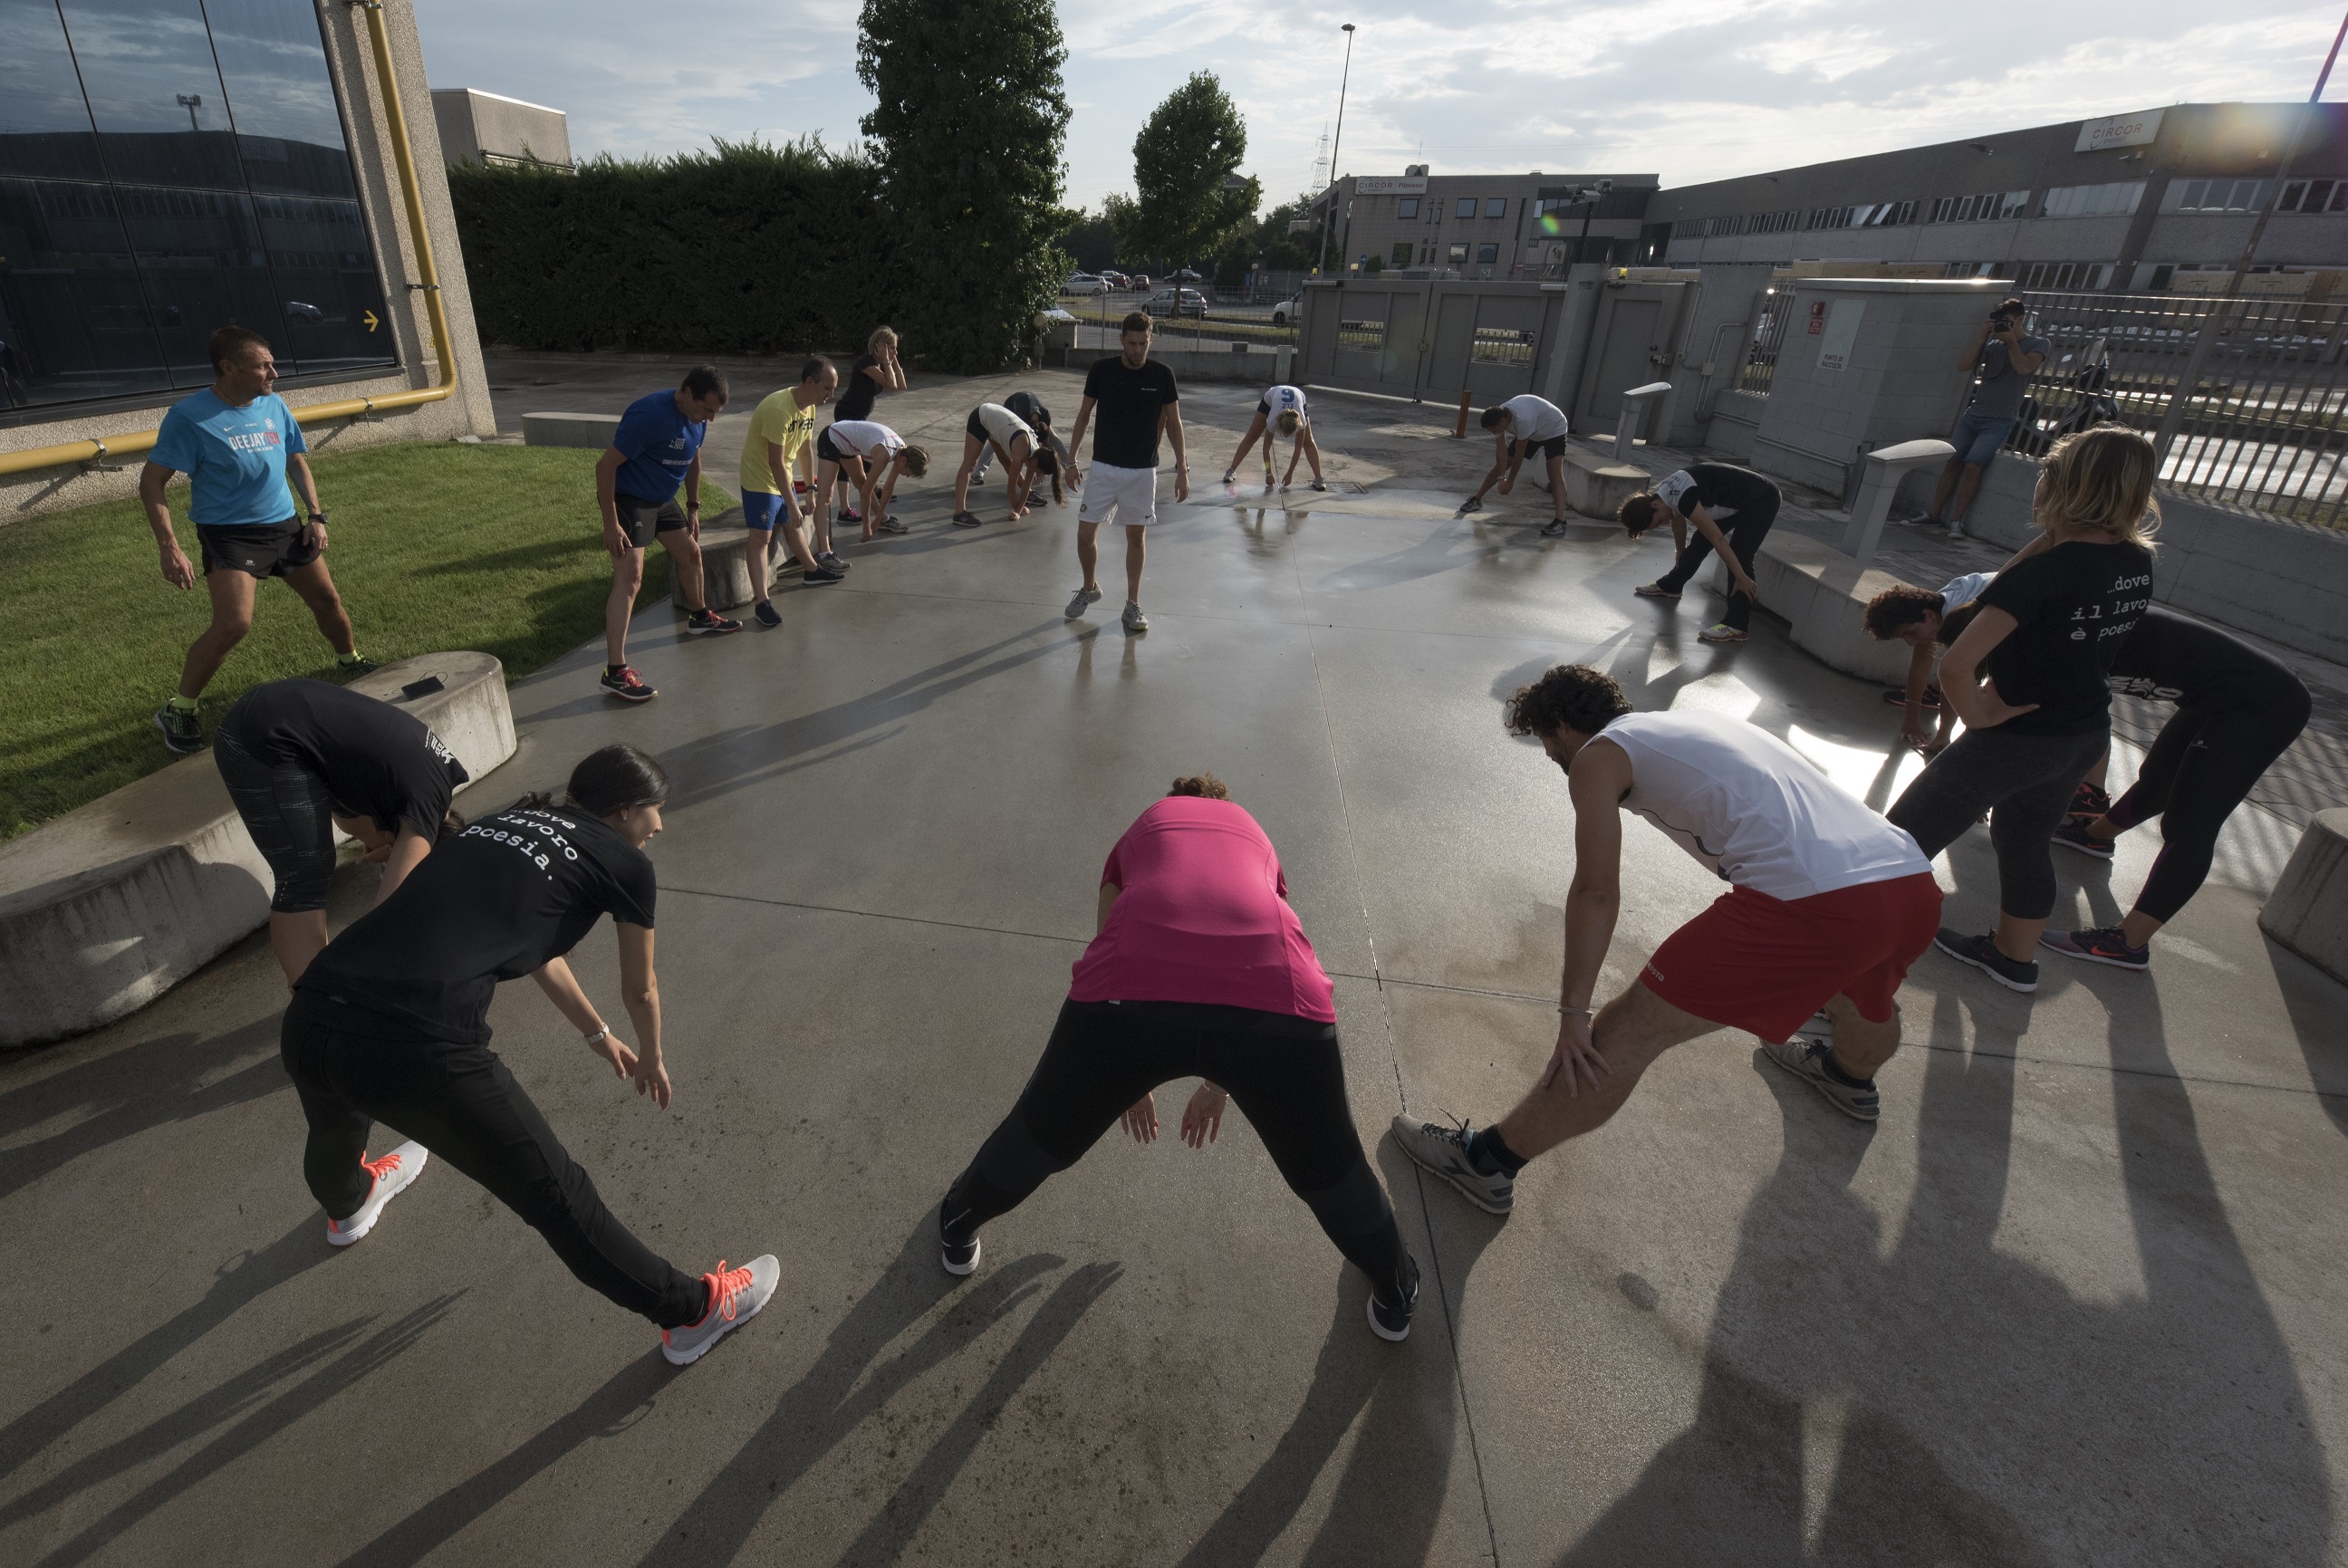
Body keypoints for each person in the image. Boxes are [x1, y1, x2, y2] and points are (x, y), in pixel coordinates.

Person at [282, 743, 778, 1366]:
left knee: (334, 1121)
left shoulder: (501, 821)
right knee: (558, 1194)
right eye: (656, 812)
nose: (660, 826)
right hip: (419, 1044)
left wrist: (597, 1035)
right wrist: (652, 1053)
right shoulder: (625, 861)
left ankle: (348, 1202)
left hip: (314, 1008)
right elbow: (641, 986)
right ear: (626, 809)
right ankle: (692, 1312)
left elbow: (536, 945)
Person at [1391, 665, 1941, 1217]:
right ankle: (1848, 1077)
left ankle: (1485, 1164)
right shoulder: (1691, 727)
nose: (1554, 760)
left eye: (1548, 744)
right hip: (1908, 880)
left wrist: (1573, 1011)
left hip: (1814, 905)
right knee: (1863, 995)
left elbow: (1597, 892)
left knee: (1625, 1031)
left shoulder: (1598, 755)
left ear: (1560, 723)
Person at [937, 774, 1422, 1341]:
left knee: (1041, 1135)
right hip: (1276, 1006)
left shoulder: (1151, 822)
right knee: (1330, 1172)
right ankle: (1395, 1292)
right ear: (1224, 805)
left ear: (1177, 799)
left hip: (1131, 994)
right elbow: (1270, 925)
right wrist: (1223, 1081)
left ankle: (958, 1225)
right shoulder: (1255, 835)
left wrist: (1127, 1077)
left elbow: (1109, 931)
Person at [1885, 426, 2158, 994]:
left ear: (2068, 485)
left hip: (2017, 737)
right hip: (2082, 734)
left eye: (2048, 473)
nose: (2039, 481)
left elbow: (1954, 666)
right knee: (2023, 838)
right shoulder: (2136, 559)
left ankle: (1852, 944)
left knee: (1899, 839)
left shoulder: (2047, 573)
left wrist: (1978, 719)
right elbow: (2006, 591)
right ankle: (2013, 958)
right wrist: (2052, 535)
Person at [142, 325, 377, 755]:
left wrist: (316, 516)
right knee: (234, 624)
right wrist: (169, 547)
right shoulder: (189, 417)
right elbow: (152, 482)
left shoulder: (272, 404)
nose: (274, 373)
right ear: (229, 368)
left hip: (284, 525)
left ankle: (350, 662)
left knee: (328, 602)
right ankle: (179, 708)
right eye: (263, 365)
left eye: (272, 363)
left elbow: (295, 459)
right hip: (230, 535)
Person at [2041, 608, 2311, 972]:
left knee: (2189, 824)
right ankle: (2095, 836)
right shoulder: (2055, 644)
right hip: (2220, 695)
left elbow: (2065, 735)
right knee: (2157, 778)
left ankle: (2129, 942)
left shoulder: (2070, 641)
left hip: (2264, 704)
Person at [216, 678, 469, 987]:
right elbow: (386, 917)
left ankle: (323, 990)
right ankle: (320, 1005)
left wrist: (393, 847)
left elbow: (353, 816)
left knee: (328, 846)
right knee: (305, 876)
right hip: (263, 735)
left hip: (276, 707)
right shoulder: (423, 808)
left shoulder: (438, 776)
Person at [596, 367, 743, 704]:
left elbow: (694, 460)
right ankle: (614, 673)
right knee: (630, 579)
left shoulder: (698, 419)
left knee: (691, 554)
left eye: (715, 413)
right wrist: (610, 523)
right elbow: (605, 467)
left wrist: (692, 505)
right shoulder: (650, 415)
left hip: (662, 499)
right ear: (687, 392)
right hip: (631, 500)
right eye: (707, 410)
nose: (710, 419)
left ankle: (700, 616)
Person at [1064, 312, 1188, 634]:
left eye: (1142, 343)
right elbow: (1083, 416)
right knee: (1084, 534)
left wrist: (1182, 469)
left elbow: (1174, 424)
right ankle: (1089, 587)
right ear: (1121, 339)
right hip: (1103, 467)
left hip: (1142, 471)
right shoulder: (1102, 371)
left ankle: (1132, 605)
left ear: (1151, 341)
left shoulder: (1163, 375)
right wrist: (1071, 459)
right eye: (1131, 343)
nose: (1136, 350)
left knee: (1136, 536)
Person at [1908, 297, 2049, 540]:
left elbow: (2024, 368)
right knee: (1952, 462)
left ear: (2020, 319)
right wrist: (1983, 338)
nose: (2002, 326)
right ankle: (1933, 514)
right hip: (1974, 414)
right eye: (1998, 323)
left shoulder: (2037, 343)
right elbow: (1963, 365)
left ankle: (1956, 521)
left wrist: (2012, 342)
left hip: (2000, 419)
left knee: (1974, 466)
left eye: (2007, 322)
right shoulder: (1993, 346)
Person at [1621, 464, 1778, 644]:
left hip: (1762, 498)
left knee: (1740, 556)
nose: (1663, 523)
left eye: (1659, 521)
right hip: (1739, 498)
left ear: (1654, 505)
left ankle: (1737, 625)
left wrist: (1740, 576)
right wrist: (1680, 550)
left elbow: (1718, 540)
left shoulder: (1683, 498)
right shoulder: (1665, 493)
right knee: (1700, 541)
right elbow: (1678, 521)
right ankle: (1672, 585)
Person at [738, 358, 840, 621]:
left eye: (833, 389)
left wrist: (810, 489)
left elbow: (806, 450)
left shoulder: (809, 408)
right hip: (760, 479)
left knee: (793, 525)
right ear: (809, 382)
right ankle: (762, 603)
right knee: (761, 538)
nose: (831, 395)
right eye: (827, 388)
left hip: (781, 474)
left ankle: (811, 570)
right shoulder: (779, 409)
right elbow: (774, 461)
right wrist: (792, 503)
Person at [1862, 570, 1997, 752]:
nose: (1911, 642)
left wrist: (1943, 736)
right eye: (1903, 637)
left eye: (1910, 632)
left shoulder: (1959, 615)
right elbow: (1919, 669)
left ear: (1929, 615)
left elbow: (1956, 676)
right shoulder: (1934, 608)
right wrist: (1910, 722)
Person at [1460, 394, 1571, 535]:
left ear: (1504, 420)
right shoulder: (1499, 415)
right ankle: (1477, 499)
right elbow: (1501, 450)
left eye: (1495, 429)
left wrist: (1510, 482)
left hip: (1554, 429)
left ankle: (1560, 521)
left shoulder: (1523, 419)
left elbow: (1520, 455)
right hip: (1533, 430)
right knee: (1505, 463)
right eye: (1492, 431)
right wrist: (1501, 478)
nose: (1495, 432)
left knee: (1554, 471)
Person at [829, 327, 905, 526]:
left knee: (858, 461)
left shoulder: (880, 364)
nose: (894, 353)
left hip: (859, 417)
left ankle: (873, 491)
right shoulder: (866, 362)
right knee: (849, 463)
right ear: (880, 346)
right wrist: (888, 362)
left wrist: (893, 361)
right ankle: (845, 509)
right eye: (892, 348)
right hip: (847, 414)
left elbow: (902, 385)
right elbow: (892, 385)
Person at [950, 401, 1065, 527]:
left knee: (1006, 461)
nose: (1038, 475)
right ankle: (959, 513)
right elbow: (1010, 490)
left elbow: (1026, 487)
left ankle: (1026, 501)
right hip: (982, 417)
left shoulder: (1037, 454)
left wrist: (1019, 508)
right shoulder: (1022, 451)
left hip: (997, 421)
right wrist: (1017, 511)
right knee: (970, 465)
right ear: (1036, 463)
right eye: (1040, 472)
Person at [815, 419, 929, 543]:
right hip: (831, 438)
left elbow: (888, 487)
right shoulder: (884, 454)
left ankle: (883, 520)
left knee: (862, 483)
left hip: (848, 444)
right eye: (908, 473)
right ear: (904, 461)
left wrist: (878, 517)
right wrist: (866, 526)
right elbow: (865, 493)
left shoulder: (903, 451)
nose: (906, 476)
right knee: (826, 495)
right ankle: (824, 550)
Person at [1220, 383, 1325, 492]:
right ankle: (1231, 469)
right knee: (1253, 435)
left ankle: (1319, 478)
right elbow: (1266, 448)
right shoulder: (1273, 420)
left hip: (1299, 396)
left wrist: (1290, 473)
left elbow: (1297, 450)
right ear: (1278, 425)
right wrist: (1268, 474)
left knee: (1308, 441)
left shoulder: (1301, 422)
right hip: (1272, 396)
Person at [969, 390, 1071, 487]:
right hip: (1011, 409)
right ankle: (978, 472)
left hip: (1031, 415)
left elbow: (1046, 443)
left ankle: (1070, 466)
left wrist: (1041, 464)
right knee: (996, 439)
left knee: (1053, 438)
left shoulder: (1045, 417)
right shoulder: (1022, 422)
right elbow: (1024, 452)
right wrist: (1034, 467)